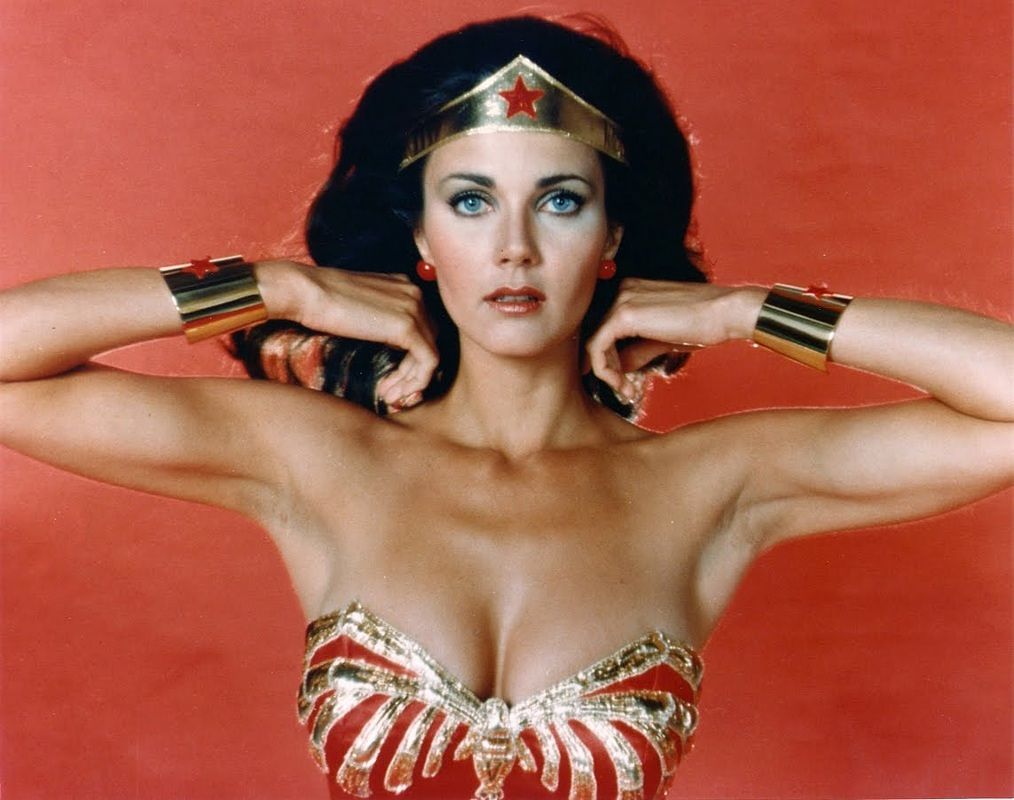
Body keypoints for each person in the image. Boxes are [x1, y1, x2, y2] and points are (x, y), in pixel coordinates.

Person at [1, 14, 1010, 800]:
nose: (515, 249)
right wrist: (274, 285)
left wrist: (743, 310)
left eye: (560, 201)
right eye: (471, 201)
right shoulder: (317, 460)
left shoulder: (712, 485)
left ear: (612, 239)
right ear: (422, 238)